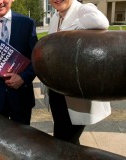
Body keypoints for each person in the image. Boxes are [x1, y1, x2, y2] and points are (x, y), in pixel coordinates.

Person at [41, 0, 110, 144]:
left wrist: (69, 29)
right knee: (63, 138)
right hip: (57, 92)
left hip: (75, 93)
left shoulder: (83, 9)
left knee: (66, 140)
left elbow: (101, 21)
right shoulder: (55, 17)